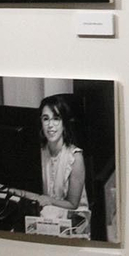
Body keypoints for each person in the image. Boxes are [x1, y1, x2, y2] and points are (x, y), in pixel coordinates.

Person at [38, 94, 89, 236]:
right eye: (46, 119)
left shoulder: (75, 156)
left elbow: (73, 204)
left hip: (74, 220)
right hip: (46, 216)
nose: (50, 125)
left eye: (56, 119)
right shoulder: (39, 153)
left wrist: (48, 201)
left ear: (64, 123)